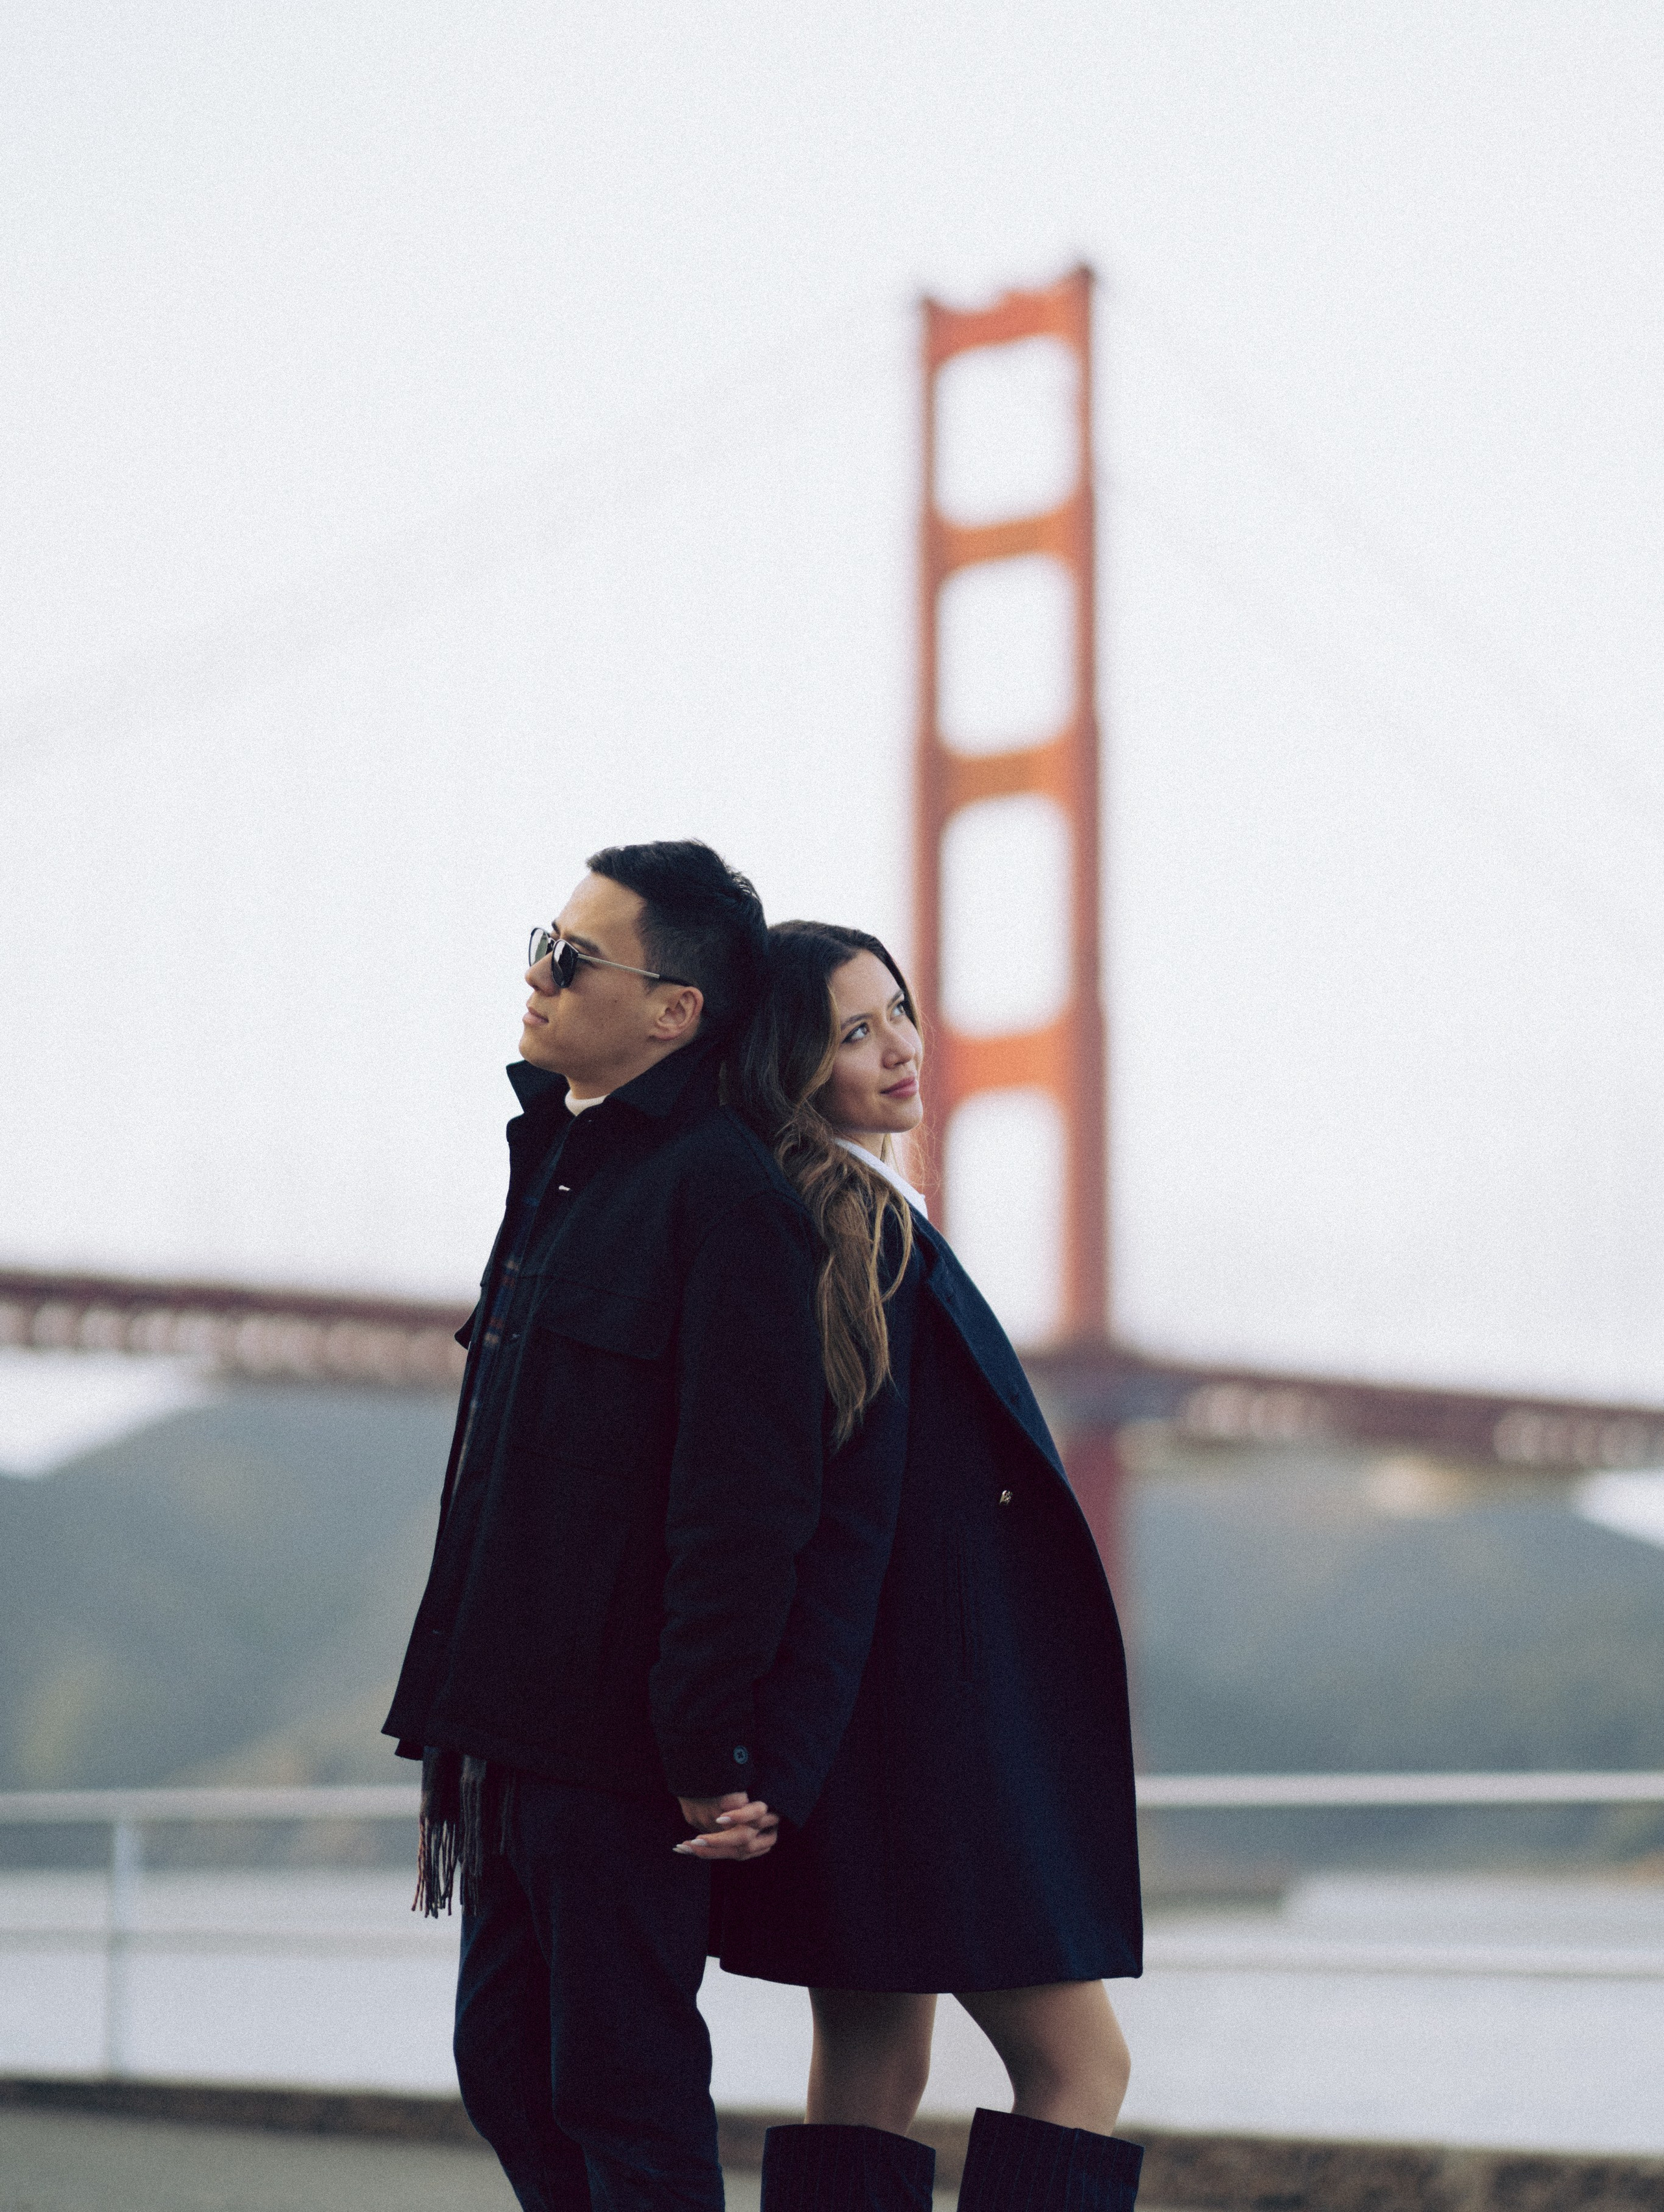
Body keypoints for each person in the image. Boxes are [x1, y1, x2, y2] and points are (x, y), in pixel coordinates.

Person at [384, 842, 844, 2212]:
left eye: (573, 955)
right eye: (545, 938)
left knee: (623, 2098)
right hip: (509, 1730)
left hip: (624, 1753)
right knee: (508, 2074)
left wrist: (703, 1743)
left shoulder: (726, 1203)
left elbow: (743, 1499)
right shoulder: (560, 1176)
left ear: (672, 1011)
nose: (538, 972)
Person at [705, 921, 1145, 2212]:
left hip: (854, 1733)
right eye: (850, 1031)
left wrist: (781, 1754)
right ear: (787, 1063)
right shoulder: (858, 1230)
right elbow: (847, 1525)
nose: (896, 1045)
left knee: (868, 2054)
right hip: (933, 1731)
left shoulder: (820, 1214)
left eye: (896, 1010)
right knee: (1078, 2071)